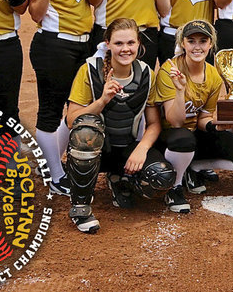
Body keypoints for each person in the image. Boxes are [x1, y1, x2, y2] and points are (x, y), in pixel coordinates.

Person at [64, 18, 174, 233]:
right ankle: (81, 207)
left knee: (161, 177)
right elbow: (72, 120)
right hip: (96, 151)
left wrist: (141, 150)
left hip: (126, 148)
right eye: (119, 43)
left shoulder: (146, 74)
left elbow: (154, 123)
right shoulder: (89, 70)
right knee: (86, 129)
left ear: (139, 43)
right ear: (107, 44)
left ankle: (121, 180)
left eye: (131, 43)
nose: (126, 49)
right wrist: (102, 100)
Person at [26, 0, 102, 196]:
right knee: (51, 110)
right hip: (55, 44)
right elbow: (35, 13)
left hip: (83, 44)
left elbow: (93, 1)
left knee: (77, 108)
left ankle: (57, 167)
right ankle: (55, 174)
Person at [153, 20, 233, 212]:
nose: (197, 46)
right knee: (184, 139)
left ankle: (193, 168)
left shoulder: (213, 75)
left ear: (210, 44)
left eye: (203, 41)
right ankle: (175, 187)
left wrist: (215, 126)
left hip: (194, 134)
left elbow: (203, 117)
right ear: (182, 43)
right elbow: (175, 121)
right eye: (191, 40)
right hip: (169, 138)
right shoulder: (170, 71)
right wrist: (179, 91)